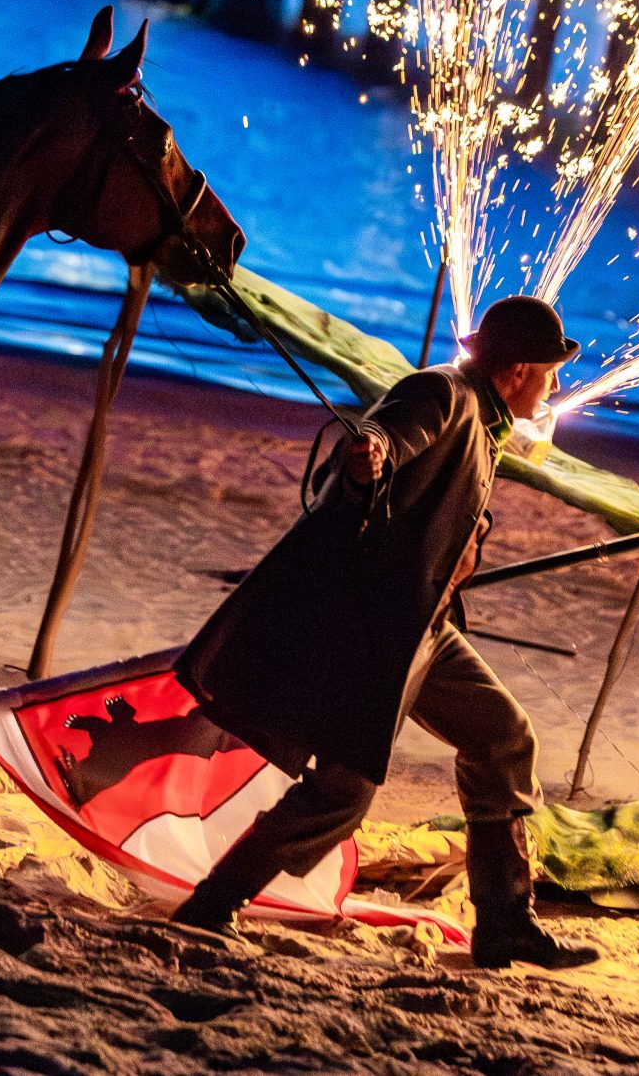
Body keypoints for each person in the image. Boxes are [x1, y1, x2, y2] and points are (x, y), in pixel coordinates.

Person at [172, 296, 599, 970]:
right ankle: (211, 905)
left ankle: (505, 924)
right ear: (518, 370)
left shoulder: (488, 420)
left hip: (425, 628)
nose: (556, 384)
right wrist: (368, 457)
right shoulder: (442, 392)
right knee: (344, 791)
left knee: (502, 736)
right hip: (371, 633)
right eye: (551, 371)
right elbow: (385, 439)